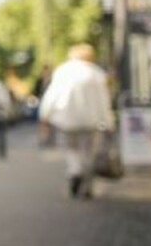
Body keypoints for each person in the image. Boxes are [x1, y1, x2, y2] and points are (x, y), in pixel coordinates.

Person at [38, 44, 114, 199]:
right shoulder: (96, 74)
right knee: (89, 153)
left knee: (71, 149)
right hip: (91, 121)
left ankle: (74, 171)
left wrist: (44, 116)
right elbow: (104, 101)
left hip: (66, 120)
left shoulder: (63, 71)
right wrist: (109, 122)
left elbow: (51, 96)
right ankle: (87, 187)